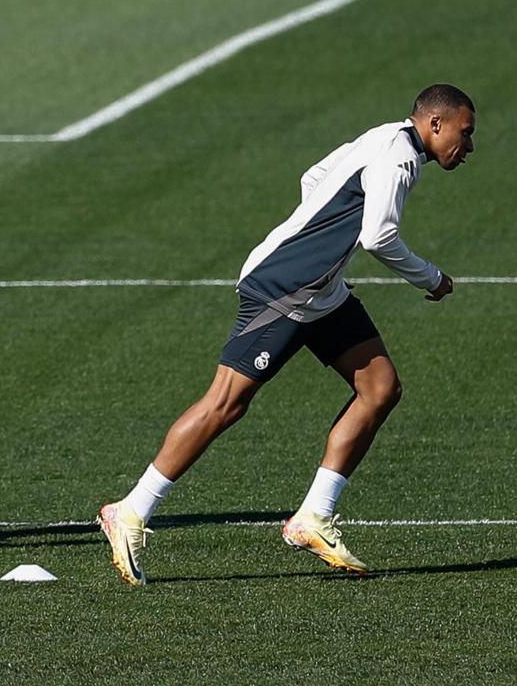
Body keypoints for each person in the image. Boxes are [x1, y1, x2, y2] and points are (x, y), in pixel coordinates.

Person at [99, 84, 476, 586]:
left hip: (320, 291)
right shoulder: (400, 159)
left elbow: (314, 177)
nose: (468, 146)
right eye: (465, 133)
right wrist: (431, 278)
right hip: (285, 288)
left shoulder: (385, 138)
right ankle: (130, 511)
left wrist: (325, 256)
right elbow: (378, 235)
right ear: (435, 124)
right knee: (226, 404)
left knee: (380, 387)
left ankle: (313, 517)